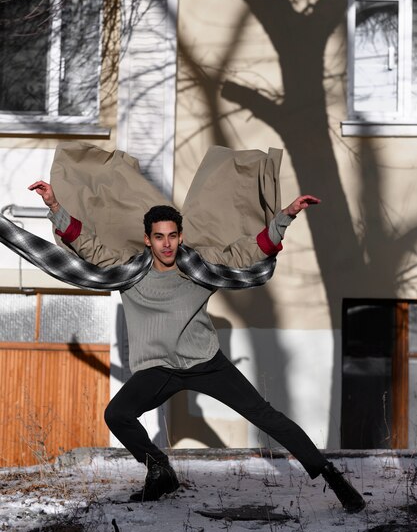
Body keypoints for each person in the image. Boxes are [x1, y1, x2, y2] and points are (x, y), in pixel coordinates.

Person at [28, 180, 365, 513]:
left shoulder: (198, 269)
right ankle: (160, 471)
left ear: (180, 237)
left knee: (265, 416)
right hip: (160, 367)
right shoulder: (129, 271)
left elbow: (246, 252)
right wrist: (55, 207)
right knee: (117, 414)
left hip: (205, 362)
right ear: (148, 239)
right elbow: (89, 246)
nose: (167, 244)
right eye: (159, 237)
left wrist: (286, 216)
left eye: (173, 236)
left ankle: (331, 476)